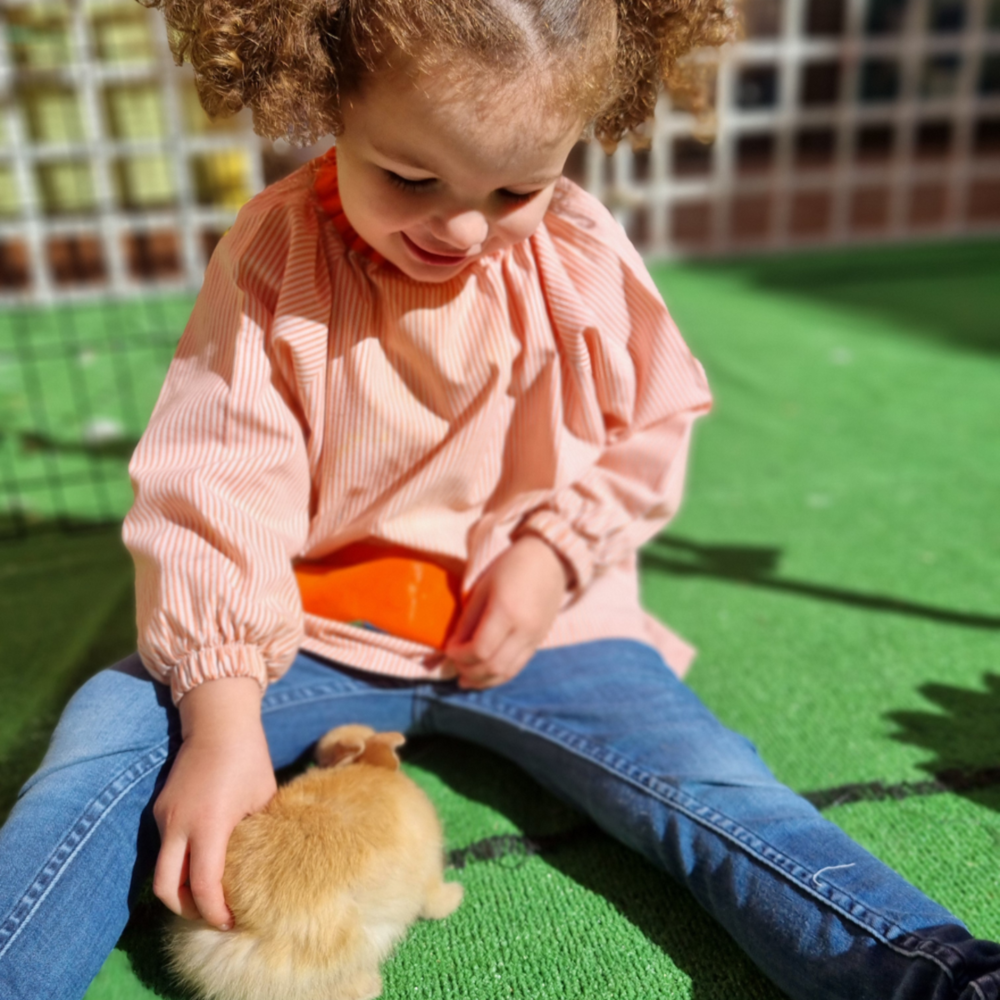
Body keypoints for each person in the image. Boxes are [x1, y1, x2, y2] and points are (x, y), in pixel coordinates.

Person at [1, 1, 998, 998]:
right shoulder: (276, 255)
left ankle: (934, 975)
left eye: (518, 186)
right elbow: (218, 478)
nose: (463, 226)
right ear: (330, 93)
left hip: (546, 628)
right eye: (411, 177)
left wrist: (550, 556)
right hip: (307, 631)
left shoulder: (575, 251)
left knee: (710, 779)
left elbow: (648, 420)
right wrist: (220, 720)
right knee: (113, 733)